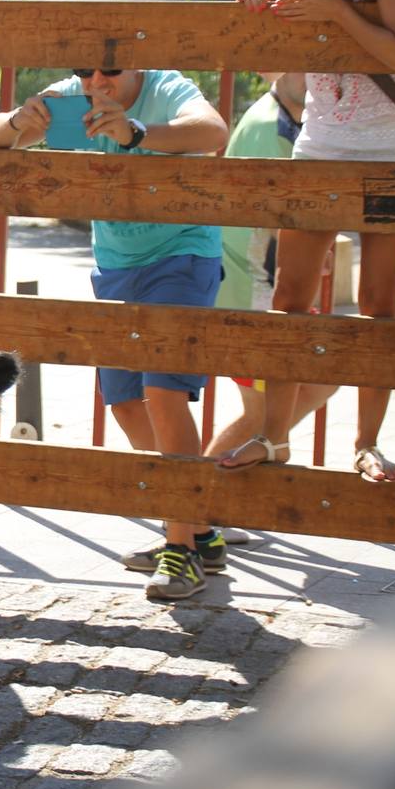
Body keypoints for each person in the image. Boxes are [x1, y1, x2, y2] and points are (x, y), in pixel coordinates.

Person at [0, 67, 230, 599]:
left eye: (110, 71)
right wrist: (15, 121)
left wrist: (135, 132)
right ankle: (193, 525)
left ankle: (183, 551)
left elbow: (212, 132)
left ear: (135, 65)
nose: (98, 80)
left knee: (164, 394)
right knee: (123, 401)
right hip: (117, 264)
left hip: (183, 252)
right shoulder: (72, 96)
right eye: (87, 70)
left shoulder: (167, 87)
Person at [220, 0, 395, 482]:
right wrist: (256, 14)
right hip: (318, 150)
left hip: (390, 157)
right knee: (289, 302)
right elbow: (269, 66)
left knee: (379, 309)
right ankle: (274, 436)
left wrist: (335, 10)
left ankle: (367, 444)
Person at [120, 72, 337, 574]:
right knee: (271, 399)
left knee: (308, 385)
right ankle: (198, 514)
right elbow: (265, 212)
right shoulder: (270, 125)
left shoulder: (286, 119)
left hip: (260, 283)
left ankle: (197, 513)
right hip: (256, 289)